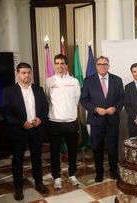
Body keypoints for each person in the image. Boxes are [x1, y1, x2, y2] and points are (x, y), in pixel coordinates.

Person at [0, 62, 49, 200]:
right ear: (17, 74)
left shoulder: (38, 89)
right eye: (23, 73)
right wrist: (22, 123)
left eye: (28, 72)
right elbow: (6, 112)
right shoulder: (8, 91)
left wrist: (40, 119)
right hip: (18, 131)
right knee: (18, 160)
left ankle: (39, 183)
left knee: (37, 158)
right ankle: (18, 188)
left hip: (36, 129)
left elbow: (45, 108)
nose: (26, 75)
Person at [80, 56, 124, 182]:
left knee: (112, 147)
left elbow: (122, 98)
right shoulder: (88, 80)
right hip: (96, 120)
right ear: (96, 66)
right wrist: (95, 109)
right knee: (96, 148)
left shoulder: (117, 80)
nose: (102, 66)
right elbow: (84, 100)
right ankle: (99, 172)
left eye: (105, 64)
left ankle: (113, 171)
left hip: (112, 119)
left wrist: (115, 108)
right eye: (100, 64)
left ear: (108, 65)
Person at [45, 54, 81, 189]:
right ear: (55, 65)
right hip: (54, 121)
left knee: (72, 150)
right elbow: (48, 99)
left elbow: (76, 100)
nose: (60, 66)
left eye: (62, 63)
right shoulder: (49, 81)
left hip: (71, 121)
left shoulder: (74, 81)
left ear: (66, 65)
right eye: (57, 63)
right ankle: (57, 177)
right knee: (54, 151)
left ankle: (72, 174)